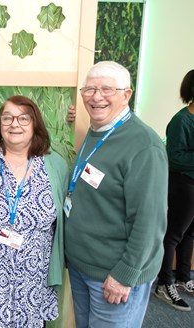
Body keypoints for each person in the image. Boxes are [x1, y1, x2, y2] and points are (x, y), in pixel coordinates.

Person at [64, 61, 168, 327]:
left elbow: (149, 221)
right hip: (82, 266)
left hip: (114, 275)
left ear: (127, 94)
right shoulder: (98, 130)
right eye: (89, 89)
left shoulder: (144, 147)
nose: (96, 97)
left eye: (107, 89)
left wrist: (125, 274)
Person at [0, 96, 70, 327]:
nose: (14, 124)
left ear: (35, 124)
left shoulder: (56, 165)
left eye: (23, 118)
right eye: (7, 117)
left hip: (37, 273)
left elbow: (64, 217)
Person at [155, 69, 194, 311]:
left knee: (190, 234)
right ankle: (163, 284)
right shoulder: (182, 120)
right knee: (173, 235)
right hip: (184, 185)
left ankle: (183, 279)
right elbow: (175, 157)